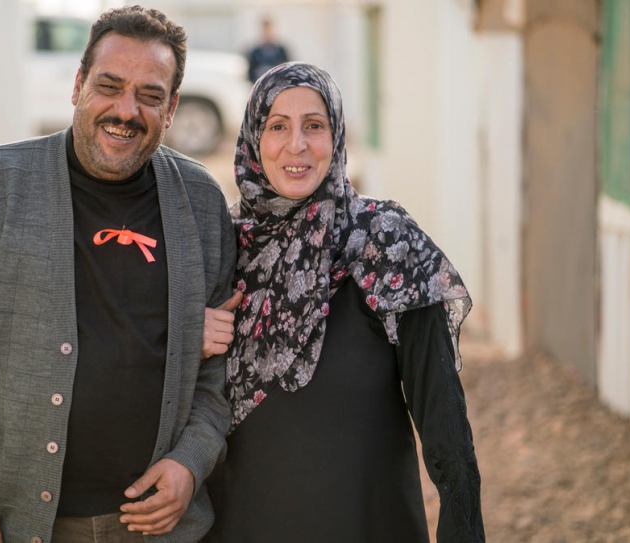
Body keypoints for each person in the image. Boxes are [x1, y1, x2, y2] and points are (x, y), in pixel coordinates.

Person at [0, 6, 237, 543]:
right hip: (21, 523)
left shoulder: (199, 203)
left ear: (172, 108)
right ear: (78, 84)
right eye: (109, 85)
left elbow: (221, 372)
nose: (126, 110)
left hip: (162, 528)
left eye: (150, 95)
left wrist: (191, 462)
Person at [202, 62, 485, 542]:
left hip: (367, 522)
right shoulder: (220, 249)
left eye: (314, 125)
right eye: (277, 126)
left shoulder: (386, 243)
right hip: (243, 524)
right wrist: (189, 339)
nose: (297, 145)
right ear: (252, 139)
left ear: (337, 136)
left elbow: (444, 422)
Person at [245, 18, 289, 83]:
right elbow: (250, 74)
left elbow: (288, 69)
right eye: (265, 30)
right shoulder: (255, 52)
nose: (267, 33)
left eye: (269, 30)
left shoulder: (281, 51)